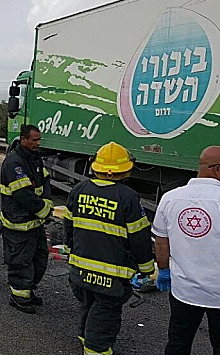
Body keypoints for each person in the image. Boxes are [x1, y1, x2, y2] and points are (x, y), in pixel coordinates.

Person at [152, 146, 220, 355]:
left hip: (184, 293)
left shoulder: (170, 198)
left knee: (178, 344)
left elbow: (161, 242)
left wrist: (163, 270)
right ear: (217, 169)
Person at [63, 142, 154, 355]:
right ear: (125, 170)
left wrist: (70, 251)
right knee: (105, 312)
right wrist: (147, 269)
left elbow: (68, 226)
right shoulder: (128, 197)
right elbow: (139, 238)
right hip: (112, 274)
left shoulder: (79, 189)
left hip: (80, 267)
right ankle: (95, 349)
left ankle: (86, 336)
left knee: (88, 303)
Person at [0, 124, 53, 313]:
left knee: (39, 259)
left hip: (34, 222)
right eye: (34, 140)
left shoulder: (34, 158)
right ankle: (19, 297)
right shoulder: (14, 162)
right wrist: (44, 210)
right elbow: (23, 193)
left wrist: (46, 203)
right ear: (23, 139)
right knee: (20, 262)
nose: (38, 143)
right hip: (18, 223)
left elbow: (45, 180)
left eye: (39, 139)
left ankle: (27, 290)